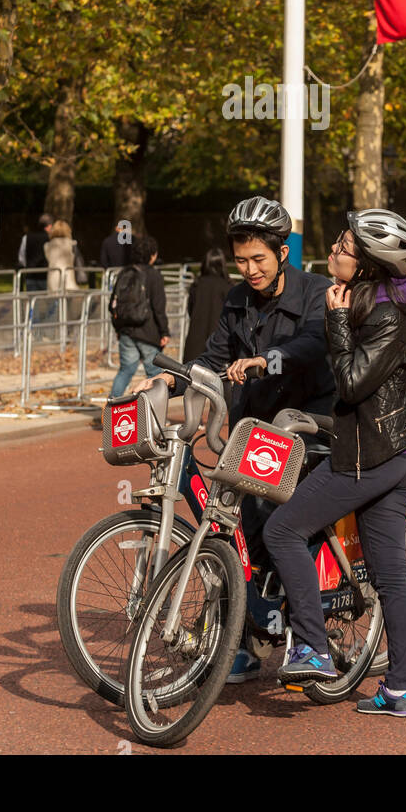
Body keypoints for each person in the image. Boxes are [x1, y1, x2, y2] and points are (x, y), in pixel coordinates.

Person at [132, 195, 335, 684]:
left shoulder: (316, 292)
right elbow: (212, 356)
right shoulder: (236, 298)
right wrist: (167, 384)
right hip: (251, 430)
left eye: (258, 259)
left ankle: (305, 635)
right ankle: (240, 638)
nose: (249, 270)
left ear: (281, 252)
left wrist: (270, 359)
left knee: (282, 524)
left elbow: (313, 344)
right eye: (241, 260)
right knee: (230, 528)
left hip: (305, 426)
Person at [264, 209, 406, 716]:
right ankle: (402, 690)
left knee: (283, 531)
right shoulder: (374, 303)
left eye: (345, 247)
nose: (334, 250)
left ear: (366, 266)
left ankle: (313, 649)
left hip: (371, 458)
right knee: (390, 580)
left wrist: (336, 322)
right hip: (395, 455)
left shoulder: (383, 316)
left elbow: (352, 383)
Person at [108, 235, 170, 401]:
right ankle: (155, 416)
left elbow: (113, 304)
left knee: (125, 370)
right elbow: (159, 308)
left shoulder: (125, 272)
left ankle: (111, 408)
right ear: (152, 255)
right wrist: (164, 332)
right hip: (148, 332)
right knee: (156, 376)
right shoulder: (154, 275)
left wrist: (118, 328)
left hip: (126, 331)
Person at [183, 247, 232, 364]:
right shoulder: (228, 287)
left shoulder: (196, 285)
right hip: (219, 344)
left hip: (195, 341)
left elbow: (190, 310)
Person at [44, 220, 82, 293]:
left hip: (53, 278)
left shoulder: (47, 245)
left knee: (55, 301)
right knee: (67, 302)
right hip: (68, 278)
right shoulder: (72, 244)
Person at [18, 214, 52, 291]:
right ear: (49, 226)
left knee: (32, 302)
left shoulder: (26, 237)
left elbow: (21, 258)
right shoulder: (51, 239)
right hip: (46, 276)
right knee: (51, 302)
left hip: (30, 275)